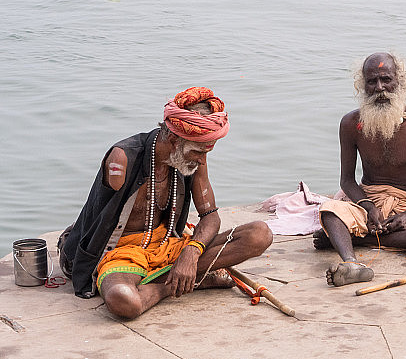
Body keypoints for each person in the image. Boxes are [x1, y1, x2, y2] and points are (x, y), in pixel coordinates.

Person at [61, 87, 273, 318]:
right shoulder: (123, 157)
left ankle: (177, 276)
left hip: (168, 245)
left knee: (259, 234)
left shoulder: (192, 158)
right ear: (173, 139)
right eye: (197, 152)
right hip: (122, 253)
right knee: (124, 300)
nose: (202, 160)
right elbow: (96, 217)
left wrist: (191, 254)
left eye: (205, 152)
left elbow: (210, 215)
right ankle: (172, 285)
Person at [314, 52, 406, 286]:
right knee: (330, 210)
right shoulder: (350, 124)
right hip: (368, 201)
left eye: (386, 79)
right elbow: (347, 181)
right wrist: (368, 206)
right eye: (372, 81)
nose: (380, 88)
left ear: (399, 81)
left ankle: (360, 241)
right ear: (362, 85)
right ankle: (351, 263)